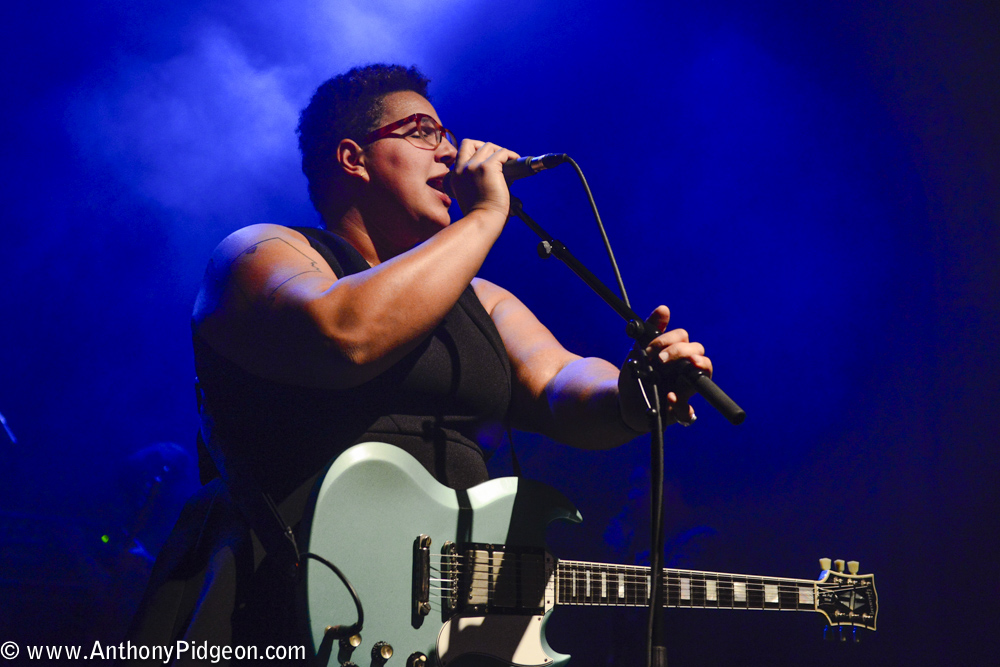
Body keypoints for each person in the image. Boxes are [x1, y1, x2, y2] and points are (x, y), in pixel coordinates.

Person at [124, 64, 711, 663]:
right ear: (354, 158)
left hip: (437, 625)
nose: (451, 151)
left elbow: (559, 380)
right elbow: (345, 334)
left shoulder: (483, 300)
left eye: (447, 136)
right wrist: (485, 218)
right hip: (277, 593)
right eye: (424, 132)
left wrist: (632, 391)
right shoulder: (262, 252)